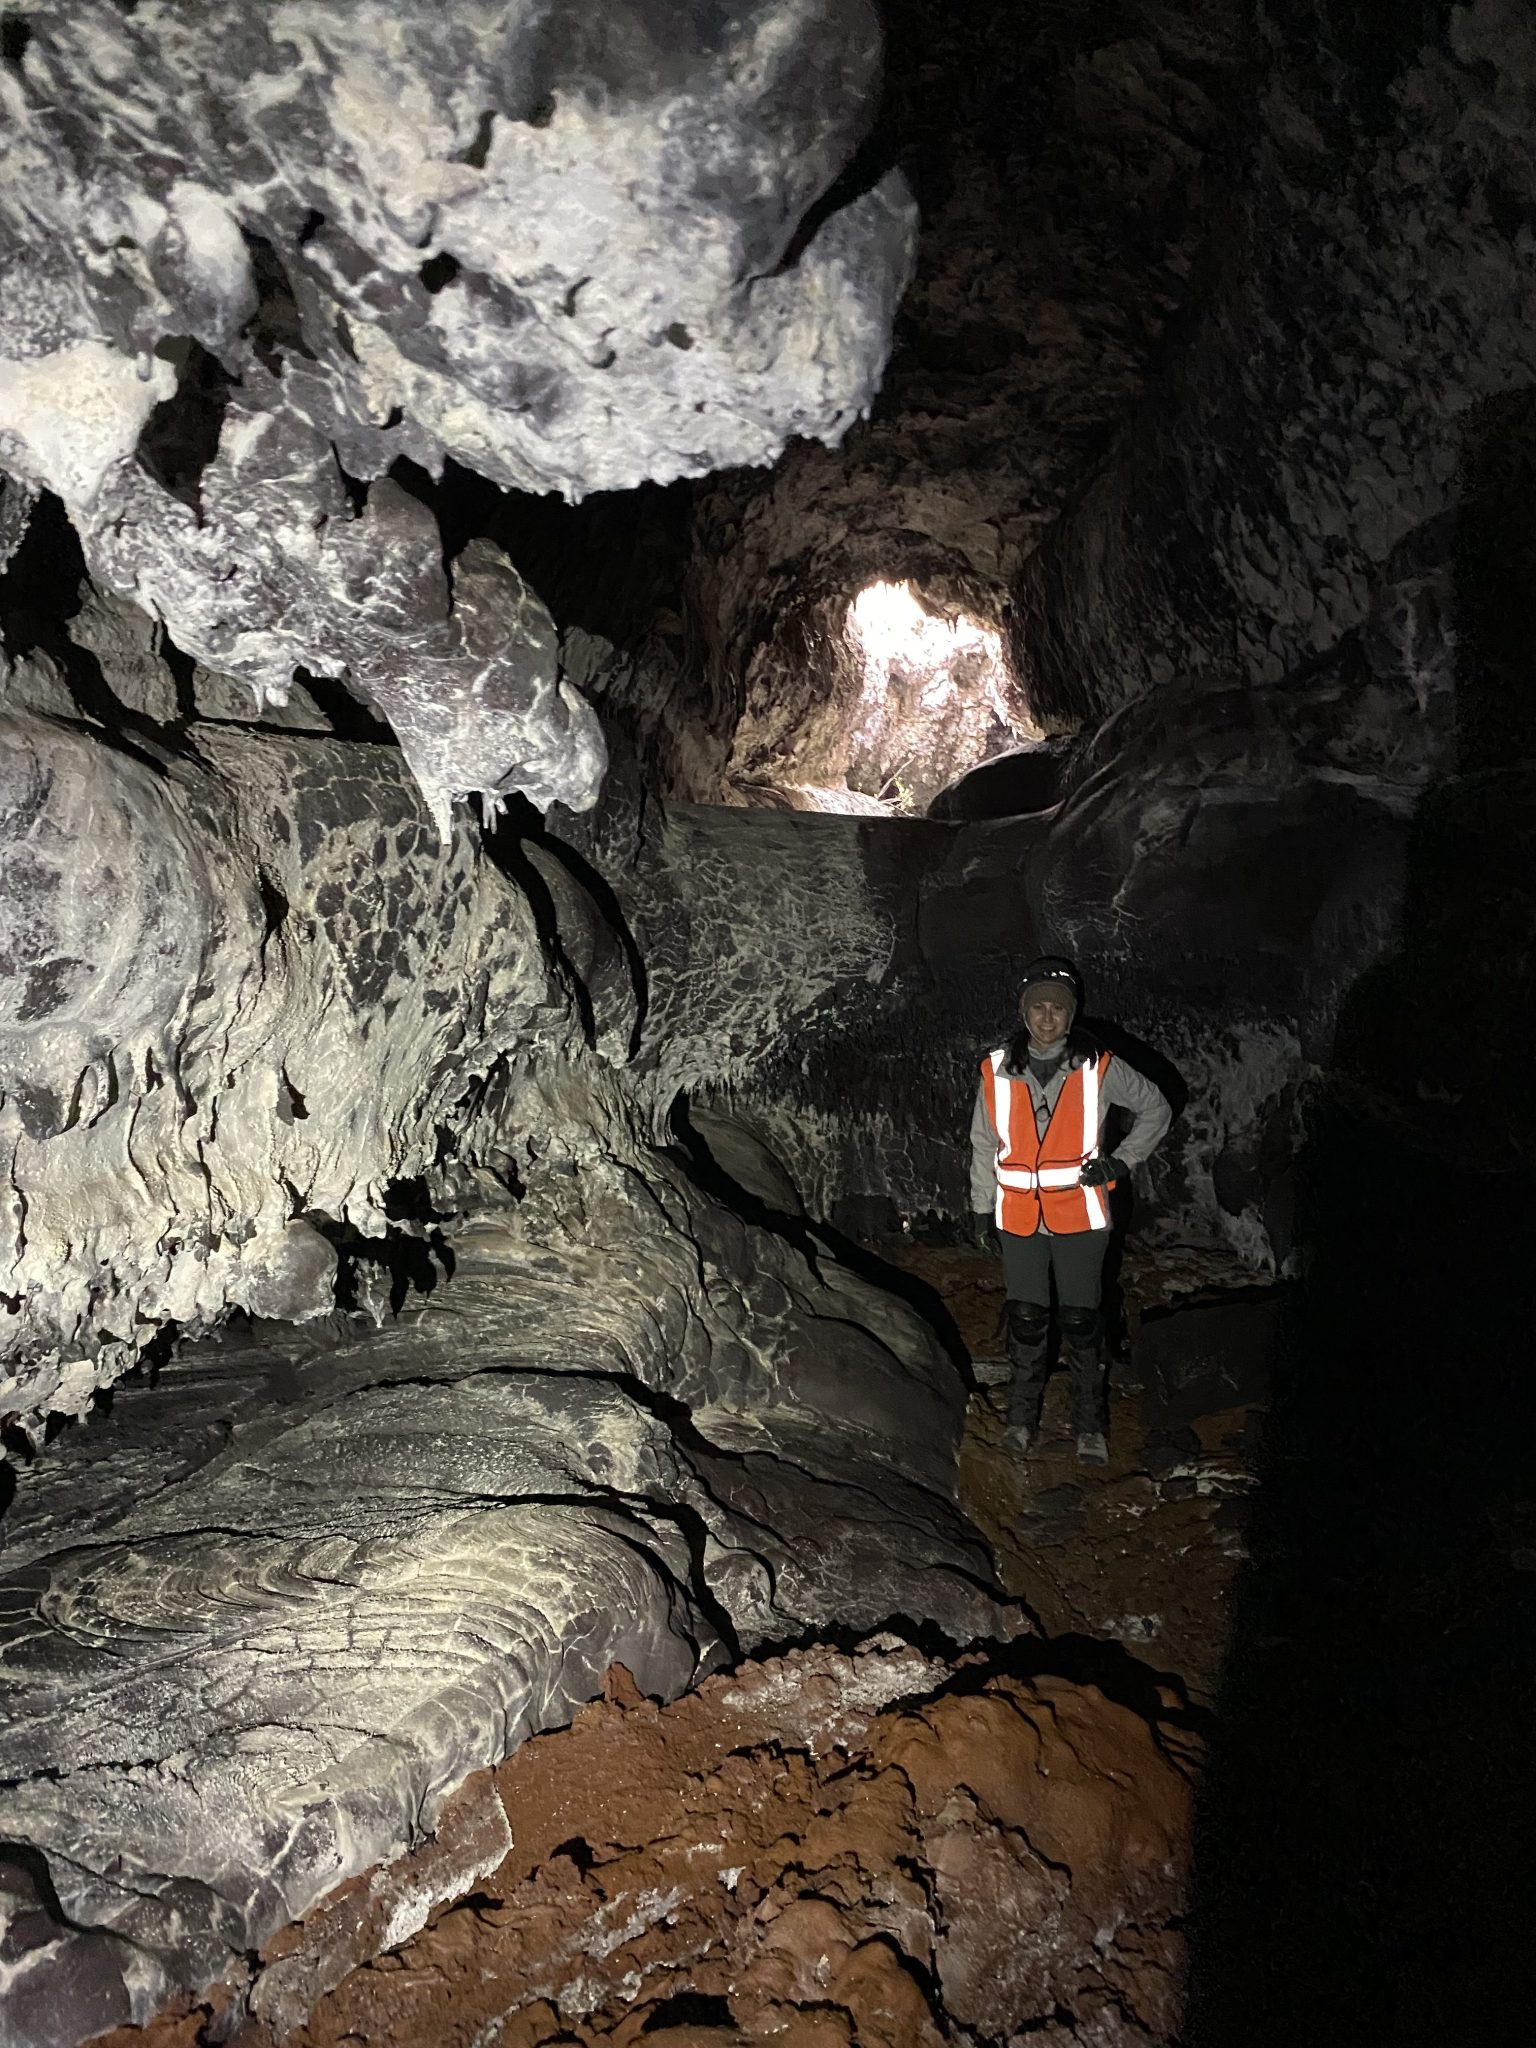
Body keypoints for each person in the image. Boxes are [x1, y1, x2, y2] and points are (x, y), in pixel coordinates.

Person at [969, 954, 1171, 1464]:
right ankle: (1020, 1420)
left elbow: (1156, 1108)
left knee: (1082, 1320)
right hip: (1017, 1217)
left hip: (1081, 1216)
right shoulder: (996, 1070)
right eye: (1037, 1006)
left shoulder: (1097, 1067)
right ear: (1023, 1011)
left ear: (1071, 1013)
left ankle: (1090, 1427)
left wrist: (1121, 1163)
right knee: (1026, 1319)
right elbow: (982, 1143)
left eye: (1057, 1008)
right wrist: (979, 1206)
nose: (1046, 1017)